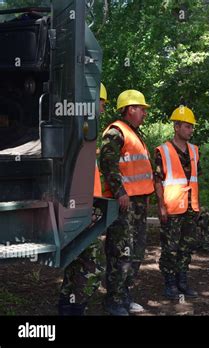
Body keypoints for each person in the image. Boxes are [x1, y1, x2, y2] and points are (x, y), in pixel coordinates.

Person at [100, 89, 154, 315]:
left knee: (136, 251)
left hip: (138, 204)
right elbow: (107, 163)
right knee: (120, 251)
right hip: (123, 203)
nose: (144, 113)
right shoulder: (116, 132)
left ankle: (125, 295)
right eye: (141, 109)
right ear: (130, 109)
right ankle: (113, 301)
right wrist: (120, 191)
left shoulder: (135, 133)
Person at [57, 82, 108, 315]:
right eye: (101, 103)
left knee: (76, 263)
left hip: (81, 208)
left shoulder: (82, 129)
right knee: (94, 266)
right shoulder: (80, 131)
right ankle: (76, 309)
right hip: (78, 210)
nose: (103, 109)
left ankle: (67, 308)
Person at [155, 105, 200, 299]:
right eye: (187, 126)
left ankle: (182, 281)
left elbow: (196, 179)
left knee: (186, 246)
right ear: (176, 127)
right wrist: (161, 206)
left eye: (191, 127)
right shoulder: (162, 151)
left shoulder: (195, 151)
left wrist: (198, 204)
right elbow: (157, 181)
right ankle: (170, 283)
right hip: (172, 207)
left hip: (191, 206)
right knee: (170, 248)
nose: (190, 130)